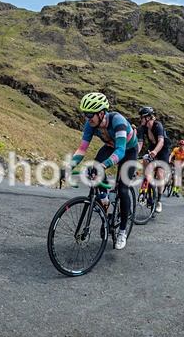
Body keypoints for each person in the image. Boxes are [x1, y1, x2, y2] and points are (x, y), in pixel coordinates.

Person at [67, 92, 139, 250]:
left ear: (101, 113)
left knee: (123, 187)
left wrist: (103, 166)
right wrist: (68, 167)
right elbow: (82, 149)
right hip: (111, 146)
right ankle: (104, 199)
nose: (87, 118)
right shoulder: (90, 124)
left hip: (128, 150)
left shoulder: (118, 121)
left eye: (89, 114)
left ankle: (122, 232)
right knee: (95, 168)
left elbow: (120, 151)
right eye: (84, 114)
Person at [136, 106, 172, 213]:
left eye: (142, 117)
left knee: (160, 174)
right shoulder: (142, 128)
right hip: (152, 147)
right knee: (145, 160)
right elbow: (140, 143)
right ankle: (147, 182)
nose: (140, 119)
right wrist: (135, 153)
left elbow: (161, 142)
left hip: (163, 149)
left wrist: (155, 152)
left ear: (148, 117)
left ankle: (159, 201)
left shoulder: (158, 125)